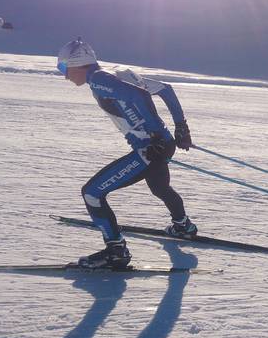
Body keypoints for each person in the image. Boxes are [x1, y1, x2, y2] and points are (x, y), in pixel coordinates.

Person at [56, 37, 197, 268]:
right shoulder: (116, 73)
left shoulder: (99, 79)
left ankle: (116, 251)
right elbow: (165, 90)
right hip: (161, 144)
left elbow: (140, 97)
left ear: (77, 64)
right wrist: (180, 128)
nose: (64, 75)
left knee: (92, 193)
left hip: (149, 150)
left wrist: (152, 138)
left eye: (63, 67)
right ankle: (183, 226)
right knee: (160, 187)